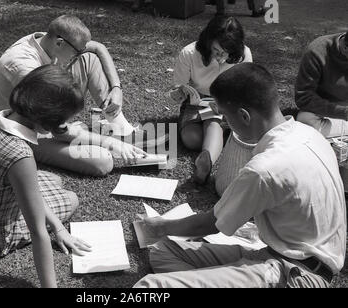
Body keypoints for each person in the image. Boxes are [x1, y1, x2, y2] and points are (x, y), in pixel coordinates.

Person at [134, 63, 346, 288]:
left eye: (225, 115)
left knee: (151, 287)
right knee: (163, 251)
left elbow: (210, 223)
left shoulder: (265, 168)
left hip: (298, 275)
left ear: (244, 116)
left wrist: (159, 227)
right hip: (279, 256)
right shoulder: (310, 134)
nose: (224, 123)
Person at [0, 65, 137, 288]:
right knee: (70, 198)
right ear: (47, 121)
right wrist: (58, 230)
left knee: (53, 180)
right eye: (64, 120)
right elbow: (38, 233)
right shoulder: (20, 156)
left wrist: (57, 226)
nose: (66, 126)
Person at [0, 15, 150, 177]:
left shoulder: (49, 39)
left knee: (90, 58)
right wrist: (109, 143)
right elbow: (58, 130)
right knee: (103, 160)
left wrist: (117, 88)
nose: (79, 55)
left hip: (47, 115)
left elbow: (98, 48)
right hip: (28, 132)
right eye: (77, 51)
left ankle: (120, 126)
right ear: (60, 43)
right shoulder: (24, 66)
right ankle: (104, 138)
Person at [172, 16, 252, 184]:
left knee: (213, 121)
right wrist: (178, 94)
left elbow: (245, 90)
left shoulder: (243, 54)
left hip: (228, 102)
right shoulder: (190, 53)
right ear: (208, 40)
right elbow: (179, 87)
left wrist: (224, 104)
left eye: (226, 52)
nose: (221, 56)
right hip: (196, 102)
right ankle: (221, 139)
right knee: (191, 139)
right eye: (217, 50)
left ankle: (206, 162)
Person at [296, 31, 348, 138]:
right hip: (325, 110)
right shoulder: (317, 51)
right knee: (305, 120)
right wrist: (343, 112)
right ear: (346, 48)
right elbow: (304, 97)